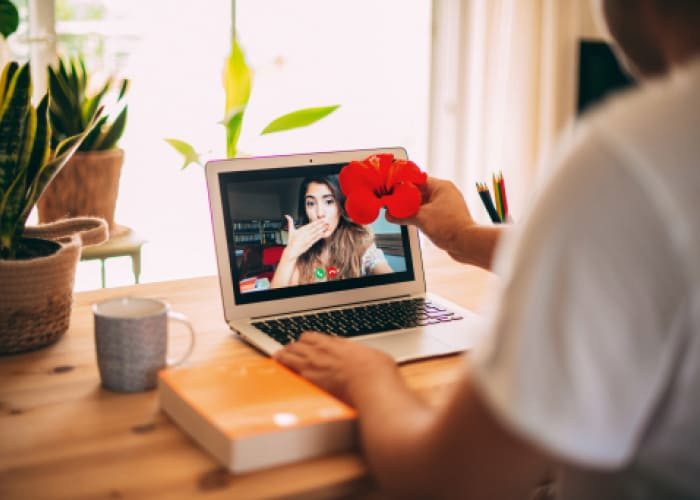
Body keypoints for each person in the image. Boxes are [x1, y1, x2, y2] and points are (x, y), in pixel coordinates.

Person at [273, 1, 700, 498]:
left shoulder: (628, 160)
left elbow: (445, 482)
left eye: (327, 200)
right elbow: (645, 264)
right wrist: (463, 237)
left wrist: (370, 377)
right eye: (312, 203)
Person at [270, 175, 393, 288]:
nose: (320, 213)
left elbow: (392, 284)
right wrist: (290, 253)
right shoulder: (302, 253)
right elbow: (274, 305)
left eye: (329, 201)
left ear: (340, 207)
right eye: (311, 203)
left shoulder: (361, 244)